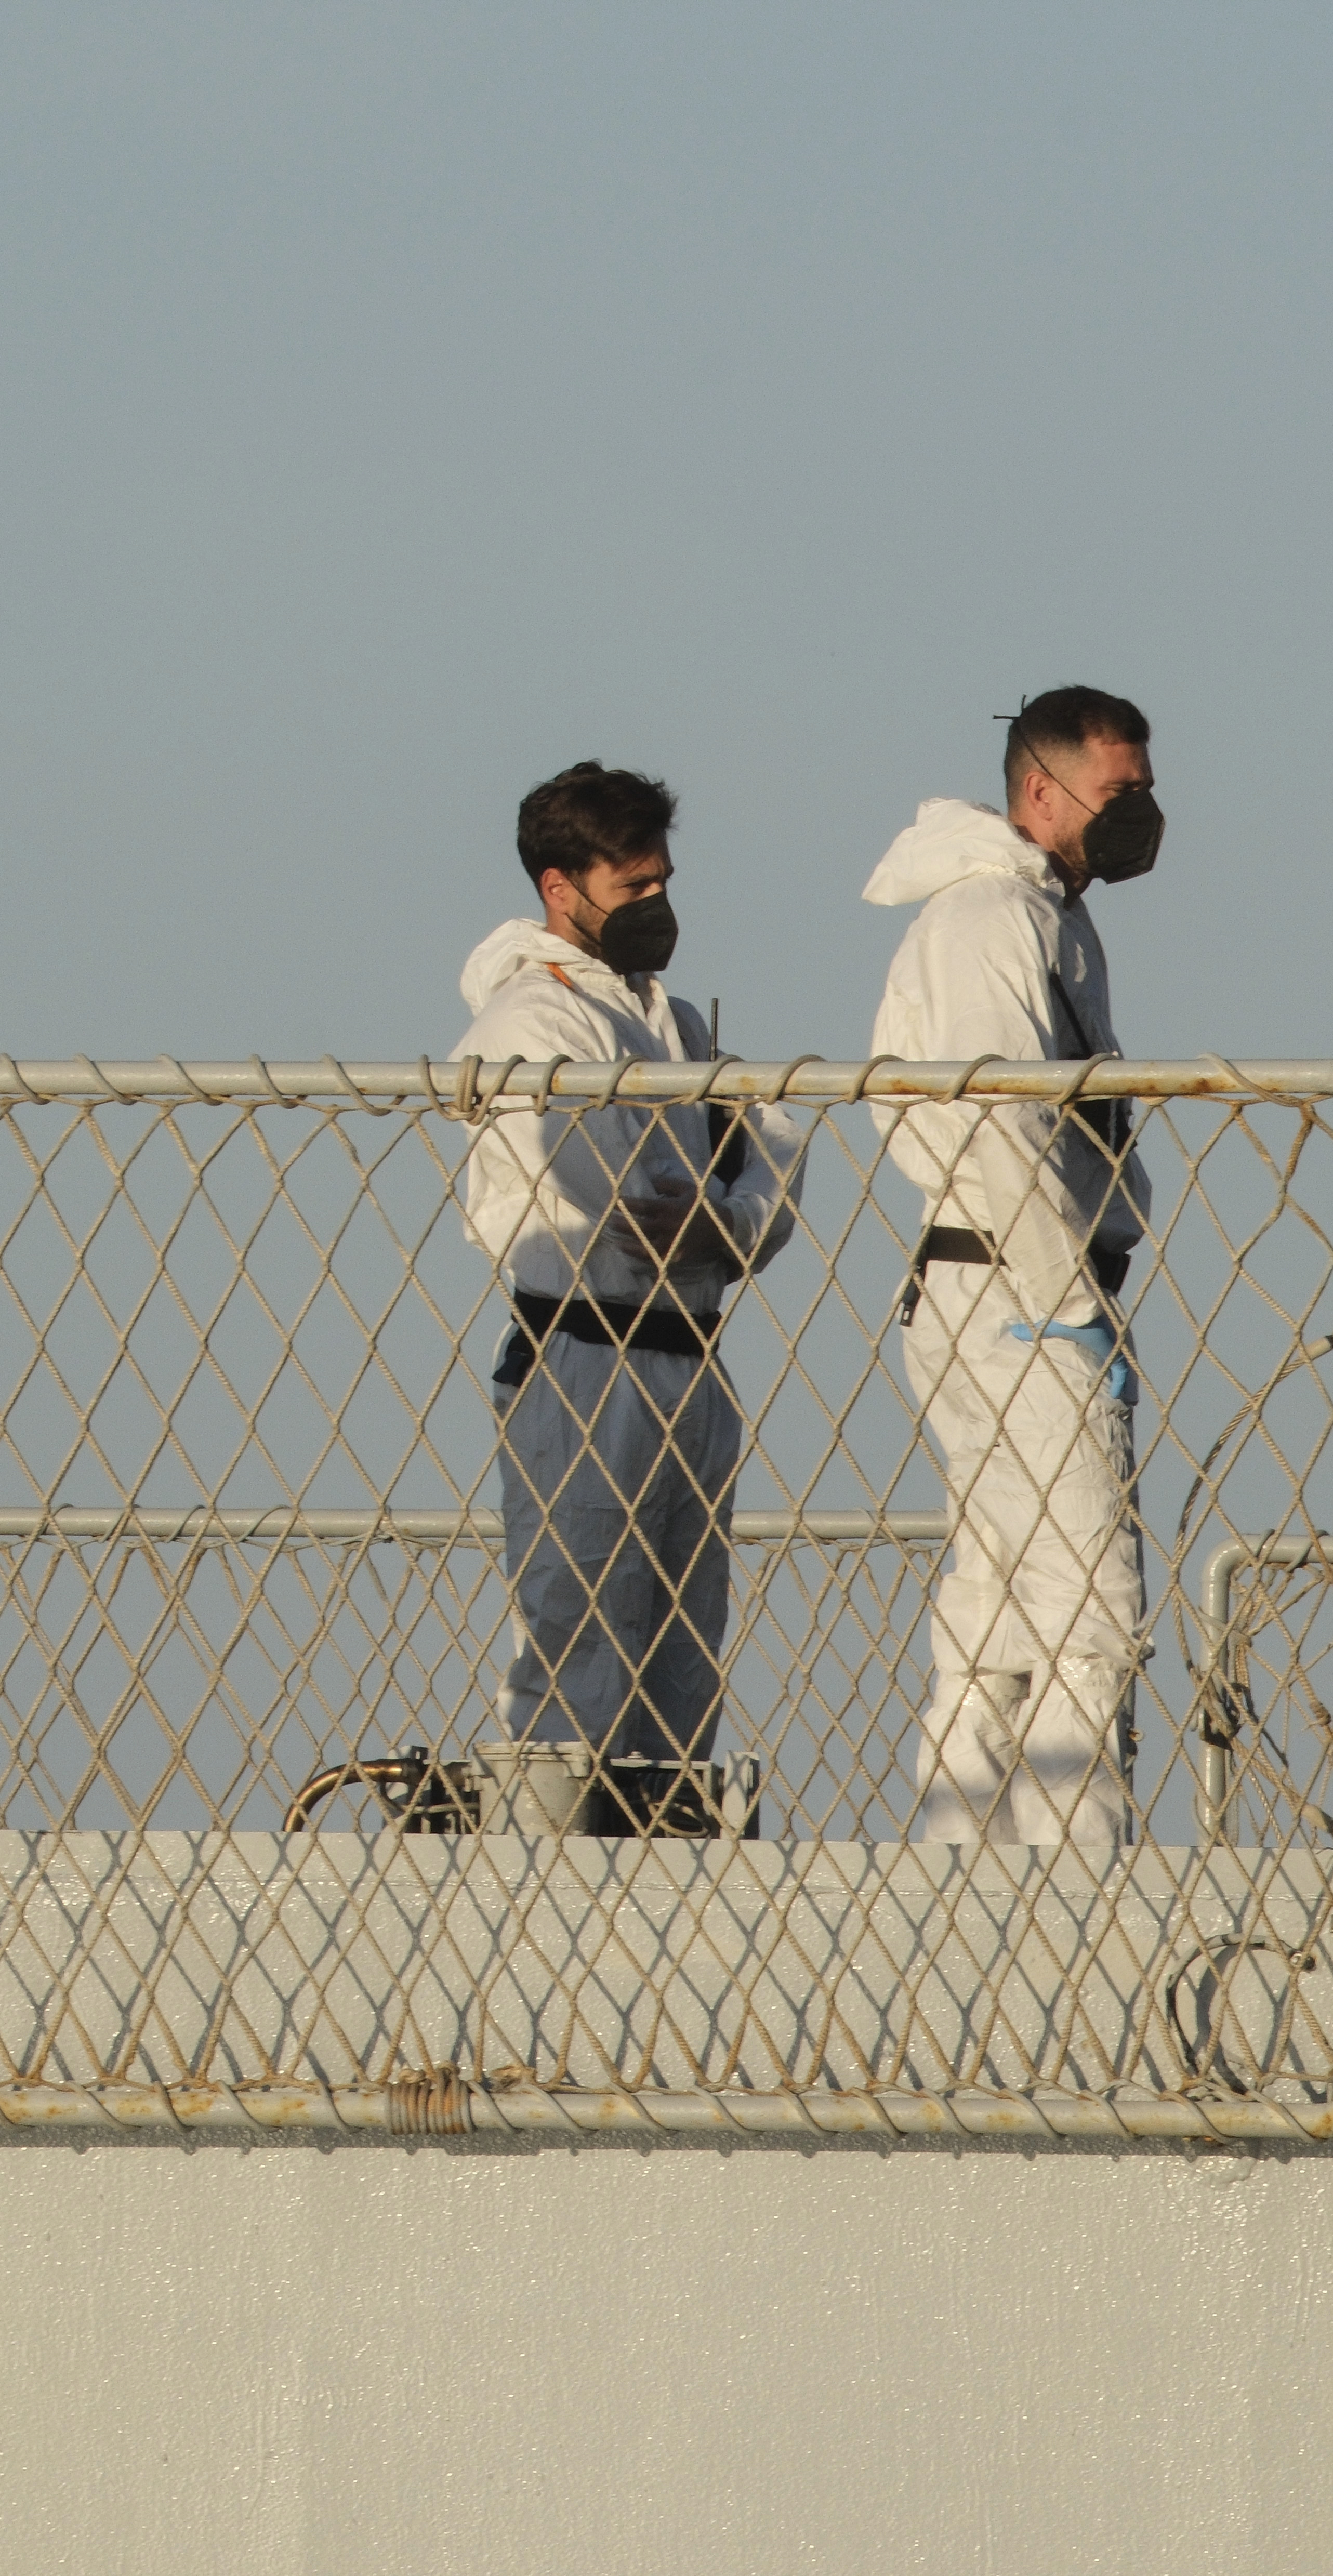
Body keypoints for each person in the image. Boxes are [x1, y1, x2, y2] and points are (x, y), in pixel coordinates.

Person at [453, 763, 800, 1829]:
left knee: (682, 1658)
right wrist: (711, 1206)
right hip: (583, 1354)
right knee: (579, 1647)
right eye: (634, 887)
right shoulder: (530, 1017)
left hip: (691, 1355)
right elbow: (612, 1186)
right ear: (563, 888)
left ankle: (661, 1894)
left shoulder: (677, 1023)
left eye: (665, 883)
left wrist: (726, 1221)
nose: (658, 907)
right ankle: (552, 1891)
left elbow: (777, 1146)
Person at [862, 686, 1165, 1847]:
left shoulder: (1046, 913)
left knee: (993, 1613)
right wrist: (1066, 1302)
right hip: (1016, 1285)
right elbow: (1003, 1119)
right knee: (1091, 1608)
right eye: (1120, 792)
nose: (1142, 813)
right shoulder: (993, 915)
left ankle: (964, 1870)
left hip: (998, 1284)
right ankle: (1076, 1880)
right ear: (1042, 792)